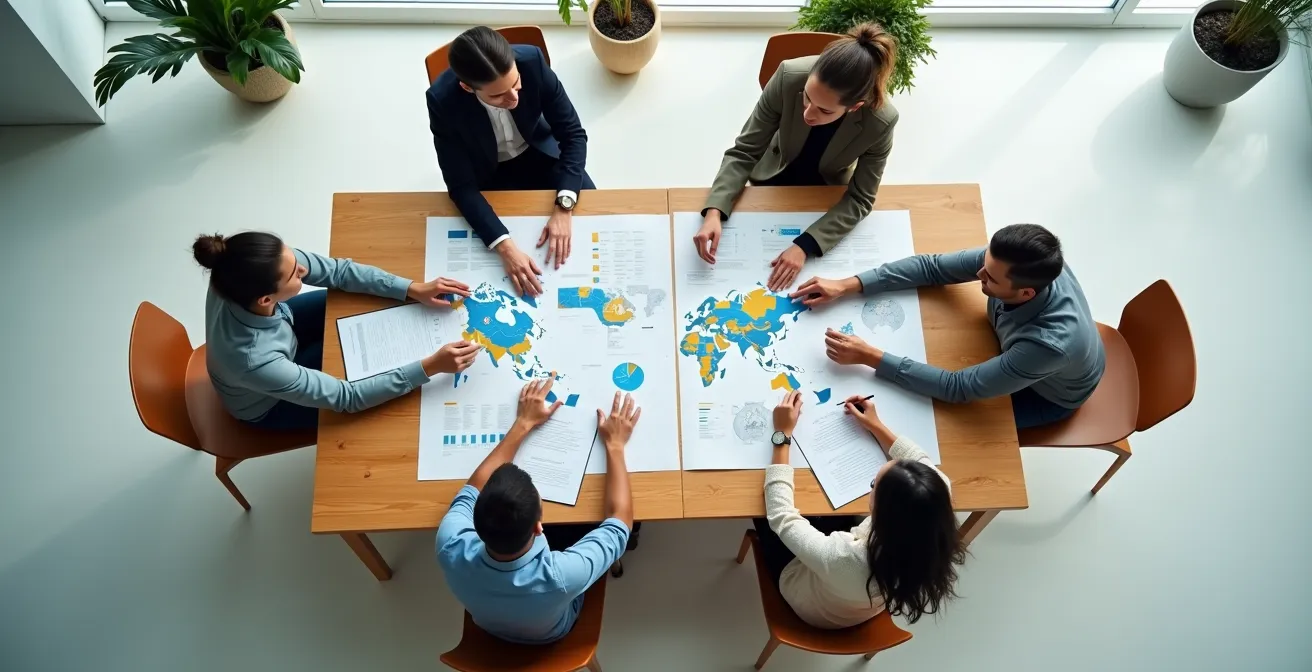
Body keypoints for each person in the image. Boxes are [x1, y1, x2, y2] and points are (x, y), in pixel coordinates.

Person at [797, 223, 1106, 429]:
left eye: (990, 278)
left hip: (1047, 395)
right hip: (1029, 351)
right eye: (984, 263)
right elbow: (932, 267)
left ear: (1026, 293)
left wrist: (870, 356)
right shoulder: (1025, 261)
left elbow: (958, 388)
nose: (979, 272)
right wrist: (847, 285)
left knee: (943, 428)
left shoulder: (1047, 346)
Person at [193, 232, 480, 431]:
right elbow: (348, 398)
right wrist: (431, 366)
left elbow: (338, 272)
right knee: (377, 372)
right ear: (266, 299)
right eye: (295, 274)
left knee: (365, 310)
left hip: (279, 329)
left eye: (294, 259)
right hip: (269, 402)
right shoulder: (254, 361)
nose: (304, 269)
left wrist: (411, 288)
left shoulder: (236, 265)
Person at [694, 23, 900, 292]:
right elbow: (746, 150)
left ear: (855, 107)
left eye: (825, 111)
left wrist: (805, 246)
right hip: (770, 174)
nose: (808, 114)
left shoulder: (881, 121)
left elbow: (861, 198)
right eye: (807, 99)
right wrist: (714, 212)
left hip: (824, 193)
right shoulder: (788, 76)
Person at [436, 380, 639, 644]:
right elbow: (620, 523)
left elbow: (474, 486)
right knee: (589, 524)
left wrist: (523, 422)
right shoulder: (561, 576)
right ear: (539, 526)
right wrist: (615, 445)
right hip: (552, 633)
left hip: (491, 624)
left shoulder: (449, 542)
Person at [755, 390, 963, 629]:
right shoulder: (936, 493)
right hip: (856, 595)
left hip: (813, 604)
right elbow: (918, 458)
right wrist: (875, 425)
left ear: (883, 514)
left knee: (761, 506)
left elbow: (781, 516)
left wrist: (783, 433)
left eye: (874, 484)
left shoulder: (844, 558)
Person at [426, 26, 594, 296]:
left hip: (544, 155)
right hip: (491, 174)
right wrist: (505, 247)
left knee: (593, 230)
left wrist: (564, 206)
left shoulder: (533, 62)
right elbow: (461, 186)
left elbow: (573, 135)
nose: (514, 99)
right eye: (498, 95)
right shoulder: (442, 102)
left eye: (516, 84)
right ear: (467, 87)